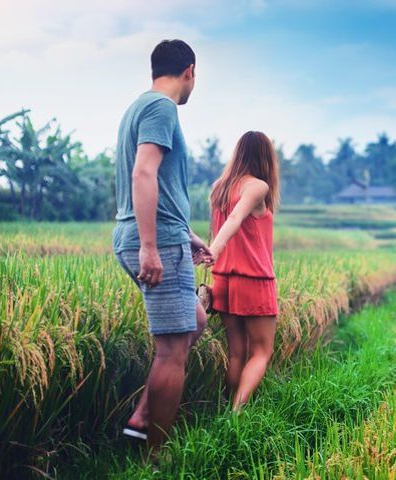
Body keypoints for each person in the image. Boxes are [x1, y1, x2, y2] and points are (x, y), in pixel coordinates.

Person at [111, 39, 210, 456]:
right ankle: (156, 456)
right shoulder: (160, 108)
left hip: (160, 235)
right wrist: (152, 247)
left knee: (196, 319)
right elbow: (143, 174)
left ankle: (142, 415)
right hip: (153, 241)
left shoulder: (138, 106)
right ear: (190, 70)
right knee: (171, 352)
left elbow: (160, 184)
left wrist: (186, 234)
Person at [193, 131, 280, 411]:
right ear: (266, 157)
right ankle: (236, 414)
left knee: (237, 353)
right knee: (261, 353)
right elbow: (235, 218)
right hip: (254, 281)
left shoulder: (220, 187)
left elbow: (224, 219)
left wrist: (214, 254)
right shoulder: (258, 187)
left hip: (225, 281)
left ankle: (226, 408)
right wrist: (214, 250)